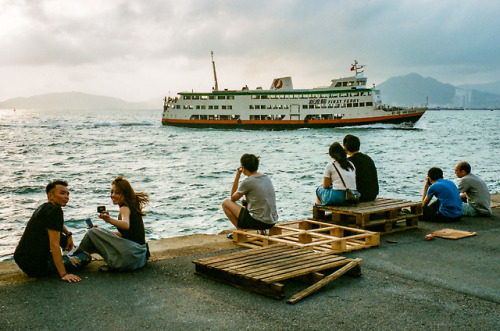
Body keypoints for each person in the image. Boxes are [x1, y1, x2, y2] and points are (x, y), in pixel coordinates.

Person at [14, 180, 91, 283]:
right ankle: (65, 258)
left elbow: (56, 225)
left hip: (22, 259)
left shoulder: (44, 207)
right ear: (50, 196)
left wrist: (68, 234)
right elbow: (54, 246)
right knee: (86, 256)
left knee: (61, 237)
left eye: (68, 194)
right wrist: (64, 274)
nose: (66, 197)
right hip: (37, 266)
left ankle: (68, 253)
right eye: (62, 193)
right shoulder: (56, 211)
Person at [75, 177, 149, 271]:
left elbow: (126, 225)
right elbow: (125, 234)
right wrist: (102, 232)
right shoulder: (131, 207)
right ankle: (78, 252)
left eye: (117, 193)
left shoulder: (124, 208)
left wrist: (109, 219)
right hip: (139, 259)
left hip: (132, 256)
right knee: (96, 232)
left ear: (125, 194)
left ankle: (75, 255)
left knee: (92, 232)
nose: (113, 195)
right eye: (112, 192)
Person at [222, 154, 278, 236]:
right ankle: (262, 232)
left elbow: (233, 198)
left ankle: (240, 232)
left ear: (243, 168)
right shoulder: (266, 177)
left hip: (258, 222)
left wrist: (237, 176)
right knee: (250, 201)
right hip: (272, 221)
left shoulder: (247, 181)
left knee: (225, 202)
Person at [343, 134, 379, 202]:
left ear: (345, 148)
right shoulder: (368, 159)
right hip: (372, 195)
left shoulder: (348, 162)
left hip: (359, 196)